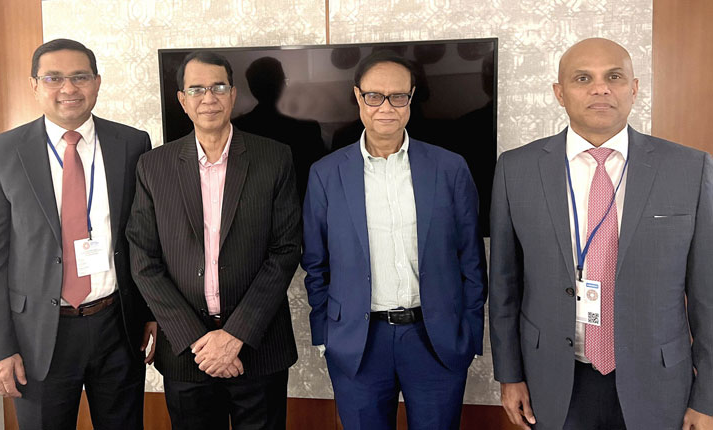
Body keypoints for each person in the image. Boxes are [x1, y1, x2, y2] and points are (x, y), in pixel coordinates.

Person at [489, 37, 713, 430]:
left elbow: (707, 294)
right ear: (559, 93)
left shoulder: (689, 168)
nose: (600, 88)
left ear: (634, 88)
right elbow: (504, 284)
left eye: (614, 77)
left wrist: (708, 397)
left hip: (658, 381)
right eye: (583, 78)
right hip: (551, 380)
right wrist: (509, 375)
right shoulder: (516, 169)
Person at [0, 38, 156, 429]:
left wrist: (152, 312)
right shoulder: (2, 153)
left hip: (117, 325)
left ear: (97, 83)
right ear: (34, 86)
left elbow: (147, 237)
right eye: (53, 78)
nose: (68, 88)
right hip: (36, 336)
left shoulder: (132, 144)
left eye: (80, 77)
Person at [302, 50, 487, 430]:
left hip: (435, 340)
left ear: (411, 98)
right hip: (358, 342)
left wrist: (468, 333)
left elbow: (471, 257)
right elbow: (316, 263)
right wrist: (325, 334)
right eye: (374, 96)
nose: (386, 107)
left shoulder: (449, 168)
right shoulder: (326, 174)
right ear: (358, 96)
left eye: (398, 96)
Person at [126, 51, 301, 430]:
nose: (209, 98)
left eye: (218, 87)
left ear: (233, 94)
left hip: (259, 345)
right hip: (188, 353)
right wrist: (196, 340)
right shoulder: (154, 166)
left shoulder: (274, 158)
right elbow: (143, 258)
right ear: (182, 99)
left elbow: (285, 250)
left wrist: (236, 334)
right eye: (196, 89)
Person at [232, 56, 326, 203]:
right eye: (284, 80)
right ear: (282, 84)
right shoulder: (307, 128)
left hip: (253, 209)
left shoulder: (237, 127)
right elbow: (322, 177)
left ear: (252, 89)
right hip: (301, 207)